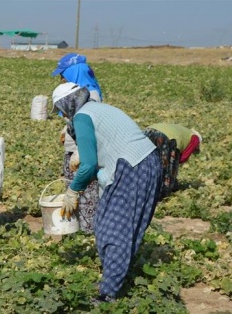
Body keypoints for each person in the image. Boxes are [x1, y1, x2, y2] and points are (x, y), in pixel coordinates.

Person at [52, 82, 161, 304]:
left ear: (68, 103)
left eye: (60, 110)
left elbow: (90, 165)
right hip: (146, 163)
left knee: (113, 229)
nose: (61, 115)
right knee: (113, 223)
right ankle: (113, 279)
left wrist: (73, 191)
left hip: (132, 167)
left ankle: (108, 294)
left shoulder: (82, 117)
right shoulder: (97, 109)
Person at [51, 53, 103, 233]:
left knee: (86, 193)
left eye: (63, 74)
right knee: (72, 191)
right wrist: (66, 129)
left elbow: (91, 124)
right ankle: (75, 227)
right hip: (74, 150)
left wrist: (80, 152)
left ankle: (88, 231)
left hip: (83, 153)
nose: (61, 78)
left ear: (74, 72)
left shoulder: (91, 94)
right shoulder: (74, 91)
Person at [143, 123, 202, 199]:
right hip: (166, 137)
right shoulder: (195, 138)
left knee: (148, 163)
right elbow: (183, 157)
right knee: (169, 170)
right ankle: (162, 195)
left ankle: (144, 188)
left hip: (148, 131)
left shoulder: (183, 131)